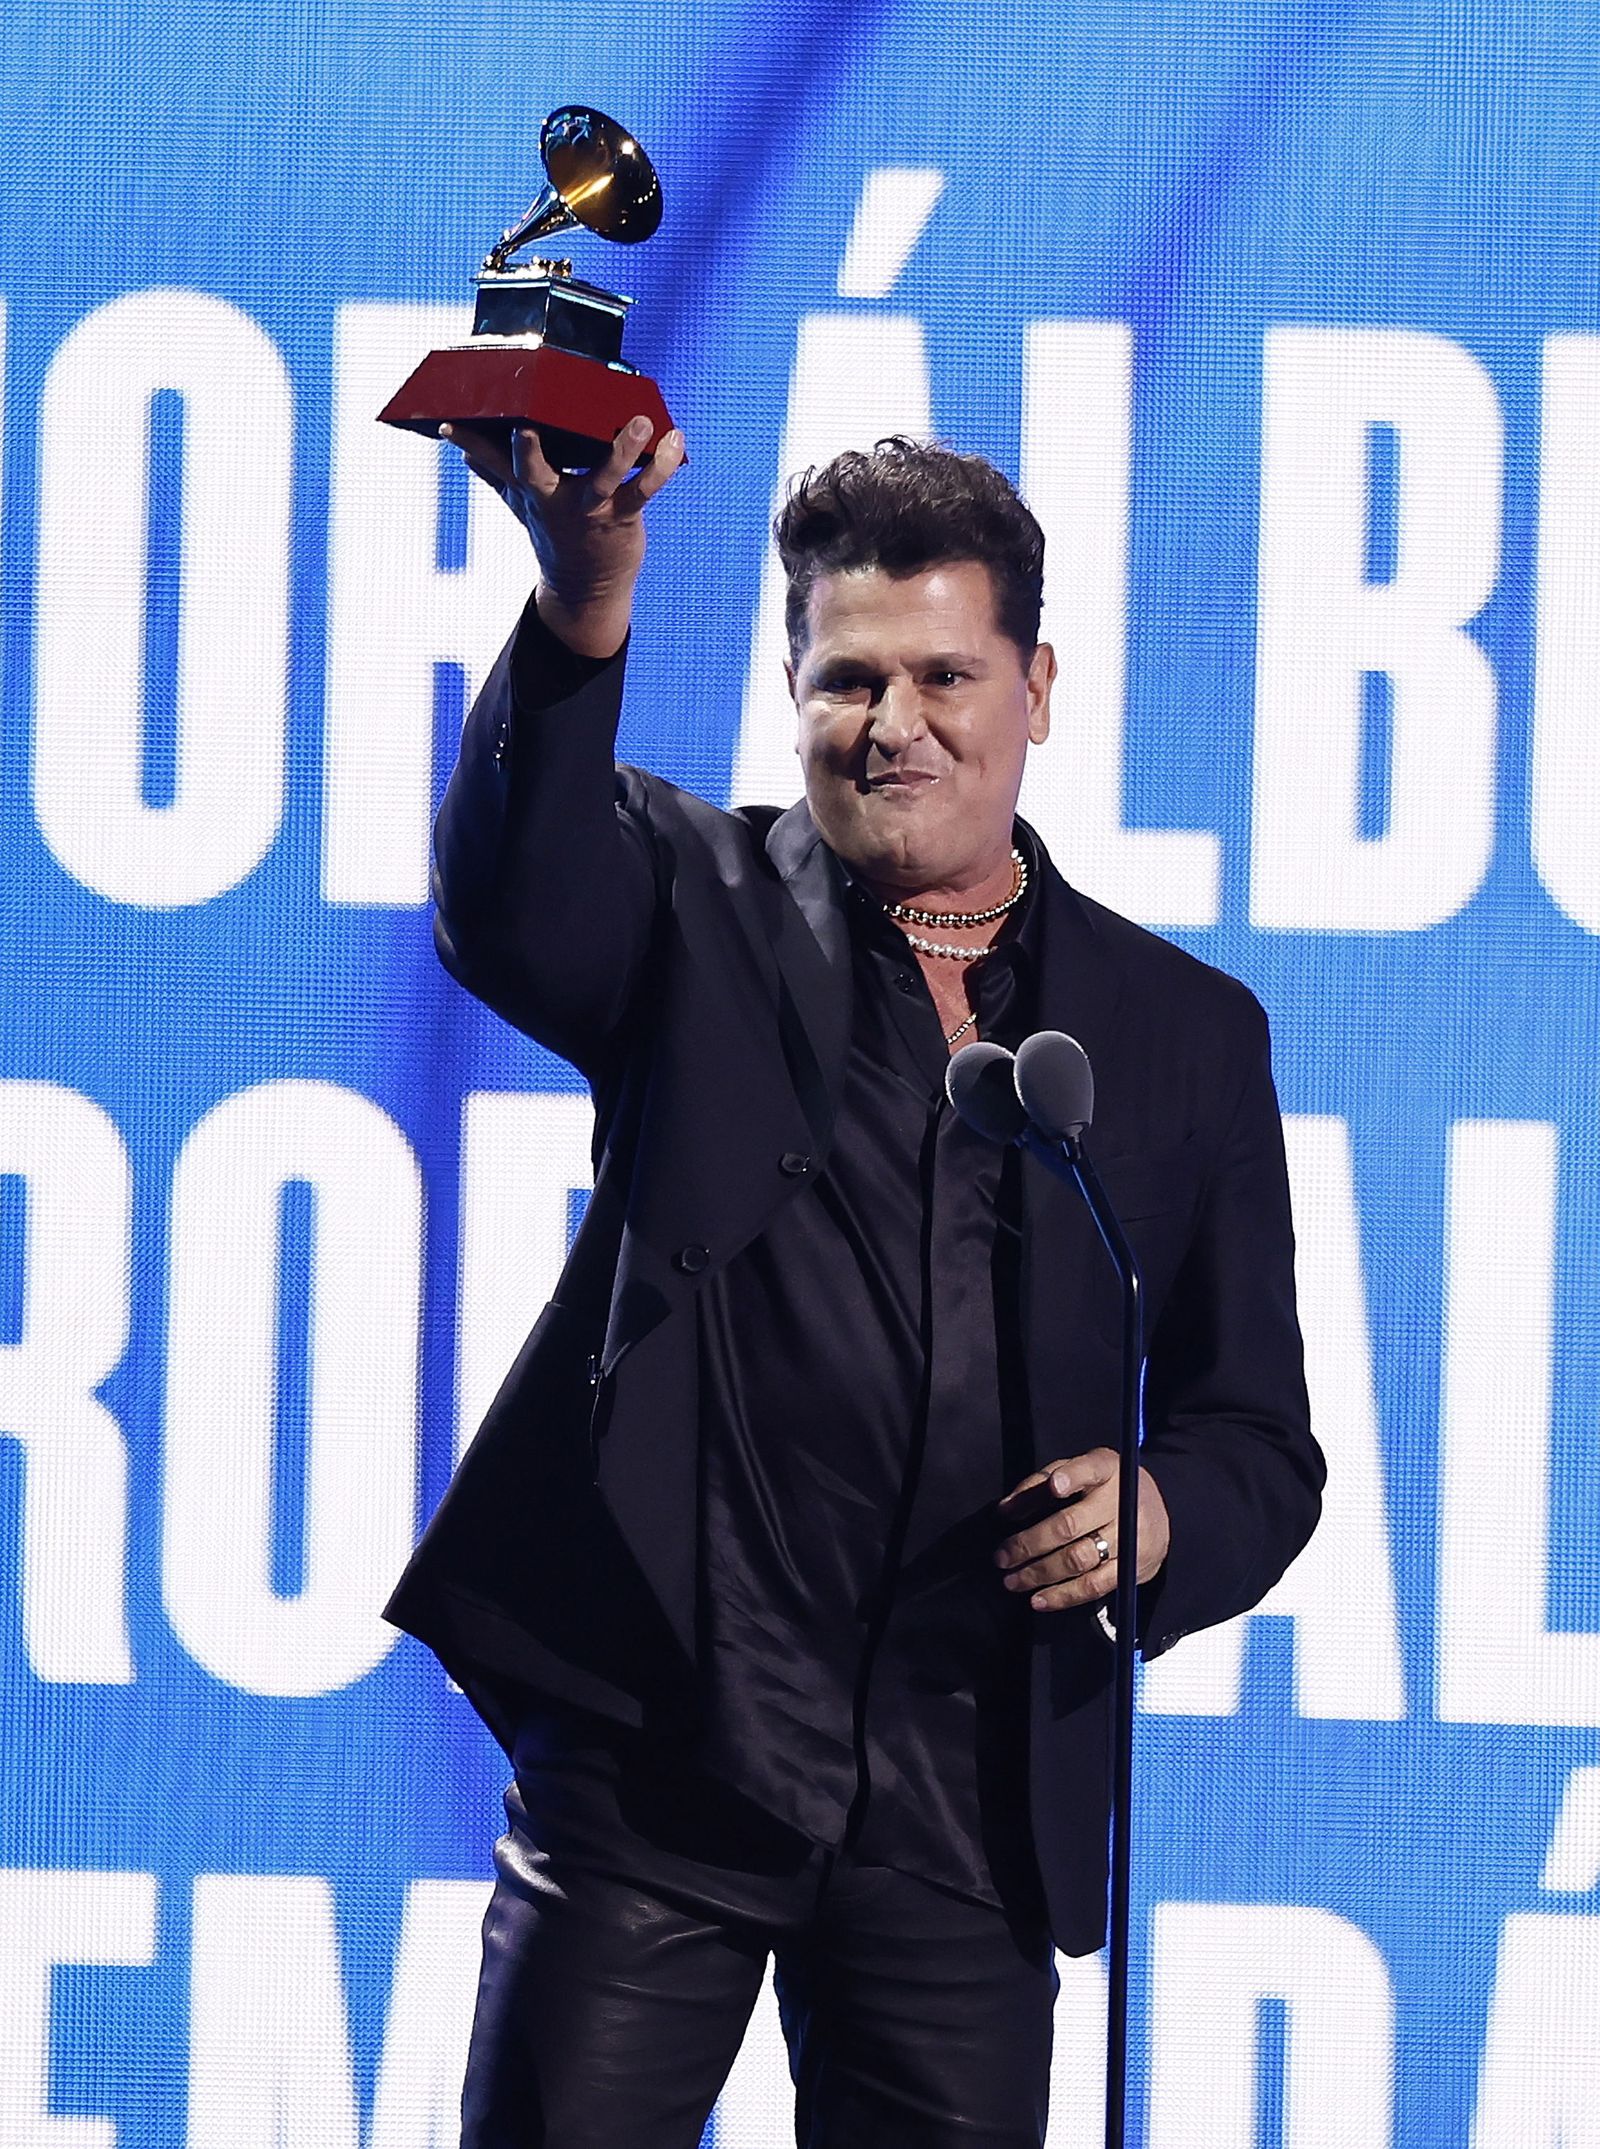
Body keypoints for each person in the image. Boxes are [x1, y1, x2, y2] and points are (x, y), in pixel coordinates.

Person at [385, 416, 1323, 2148]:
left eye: (945, 675)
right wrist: (583, 606)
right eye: (847, 679)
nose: (893, 725)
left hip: (969, 1799)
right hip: (669, 1750)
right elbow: (509, 905)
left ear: (1038, 684)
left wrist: (1169, 1511)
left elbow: (1259, 1435)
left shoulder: (1186, 1036)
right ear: (791, 681)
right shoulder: (693, 899)